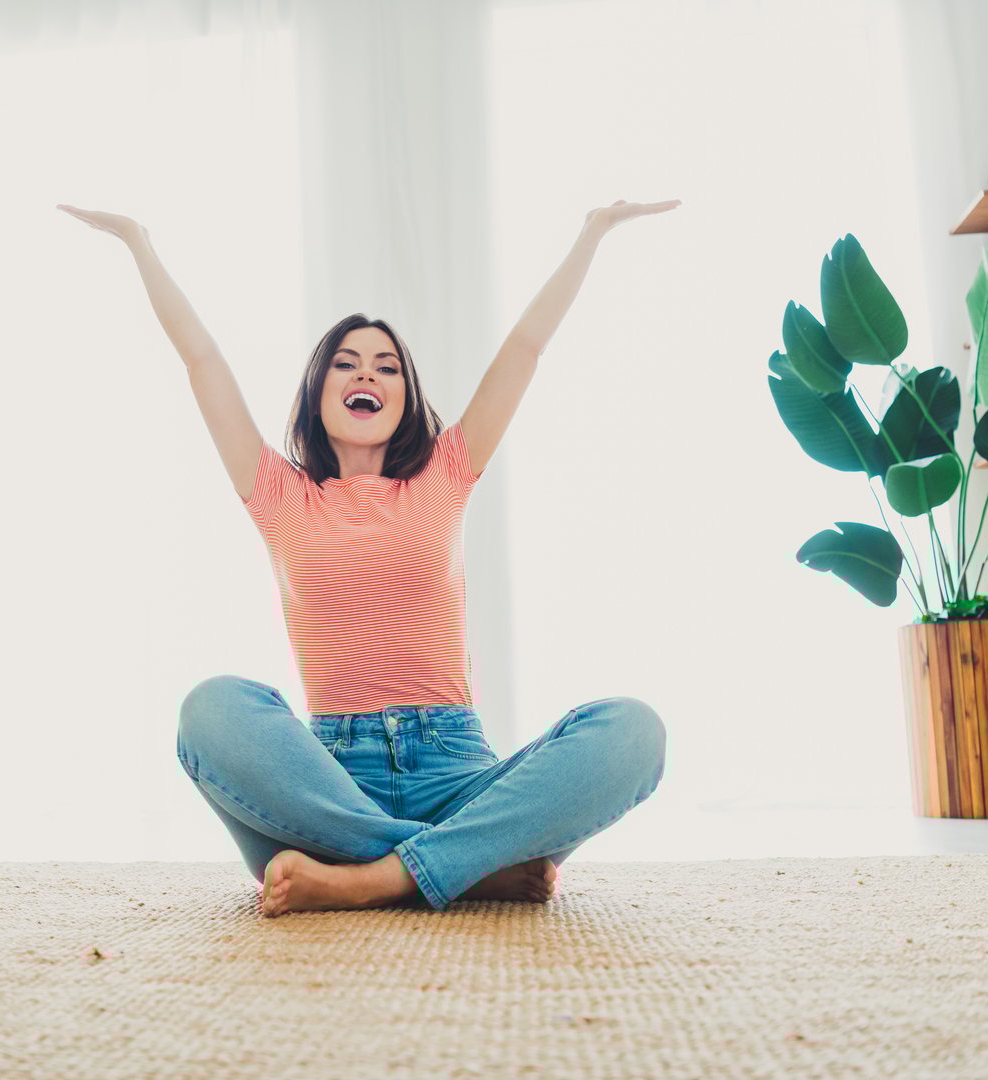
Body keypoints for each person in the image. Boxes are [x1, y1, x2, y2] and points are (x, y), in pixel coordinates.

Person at [59, 197, 679, 917]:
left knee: (633, 731)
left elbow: (525, 348)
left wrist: (592, 233)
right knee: (210, 710)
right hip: (325, 789)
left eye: (388, 366)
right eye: (348, 363)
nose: (369, 374)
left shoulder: (447, 471)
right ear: (319, 391)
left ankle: (375, 877)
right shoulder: (276, 492)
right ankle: (461, 864)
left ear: (408, 396)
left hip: (456, 773)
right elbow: (203, 362)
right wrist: (139, 243)